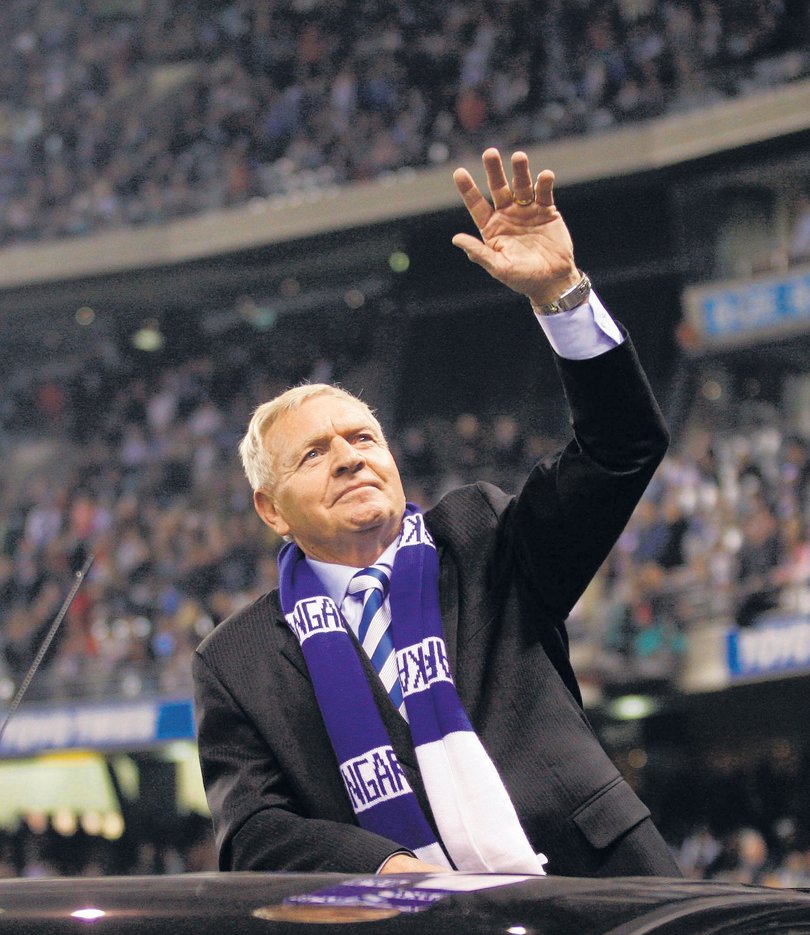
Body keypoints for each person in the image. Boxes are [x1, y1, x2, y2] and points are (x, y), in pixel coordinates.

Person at [192, 147, 680, 877]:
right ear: (271, 508)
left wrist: (561, 296)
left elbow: (620, 449)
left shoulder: (481, 538)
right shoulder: (236, 660)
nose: (351, 457)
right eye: (315, 454)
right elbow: (254, 831)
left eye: (362, 437)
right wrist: (389, 869)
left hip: (600, 890)